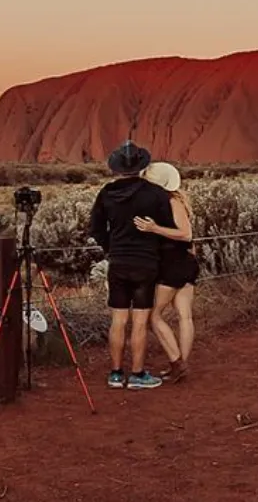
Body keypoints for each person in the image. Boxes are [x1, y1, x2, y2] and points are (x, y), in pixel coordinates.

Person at [89, 140, 175, 390]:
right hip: (146, 264)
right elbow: (166, 229)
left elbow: (95, 229)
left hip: (118, 263)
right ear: (141, 166)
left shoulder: (106, 193)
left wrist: (111, 248)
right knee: (139, 322)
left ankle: (115, 374)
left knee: (118, 320)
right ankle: (137, 375)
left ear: (117, 167)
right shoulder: (156, 194)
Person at [134, 162, 198, 383]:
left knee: (154, 316)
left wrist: (154, 229)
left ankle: (177, 363)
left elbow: (186, 234)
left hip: (174, 264)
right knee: (184, 316)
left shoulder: (172, 201)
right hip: (184, 262)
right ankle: (181, 365)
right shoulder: (171, 202)